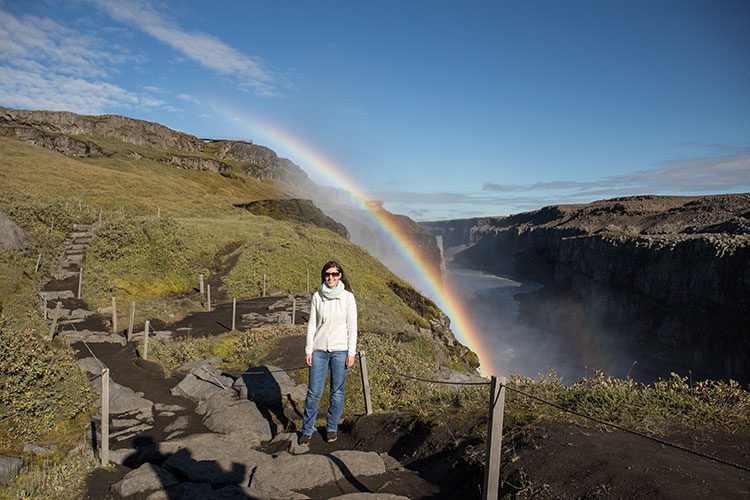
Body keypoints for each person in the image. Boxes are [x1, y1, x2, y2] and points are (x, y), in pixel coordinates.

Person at [298, 260, 358, 446]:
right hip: (319, 350)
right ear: (323, 276)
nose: (331, 277)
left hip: (340, 351)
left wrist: (351, 352)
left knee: (337, 392)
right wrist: (309, 349)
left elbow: (352, 327)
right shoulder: (317, 296)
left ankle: (332, 428)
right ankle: (307, 430)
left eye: (335, 274)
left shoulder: (348, 298)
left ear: (340, 276)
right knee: (314, 392)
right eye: (327, 274)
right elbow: (312, 325)